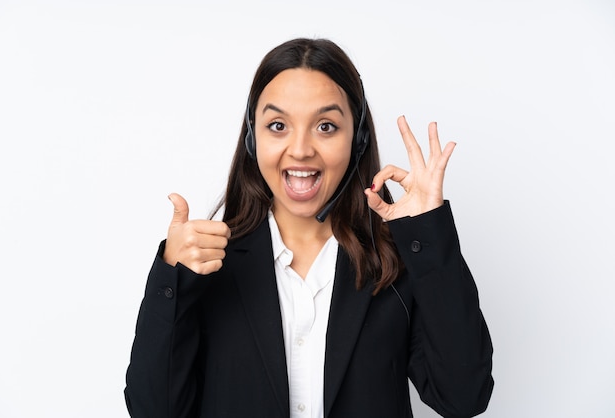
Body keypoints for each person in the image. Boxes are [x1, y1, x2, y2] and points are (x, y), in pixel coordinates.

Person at [124, 38, 494, 418]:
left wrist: (427, 235)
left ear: (358, 138)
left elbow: (464, 396)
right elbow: (154, 410)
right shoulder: (207, 265)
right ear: (254, 138)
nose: (300, 149)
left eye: (326, 126)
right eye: (278, 125)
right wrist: (173, 280)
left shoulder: (395, 260)